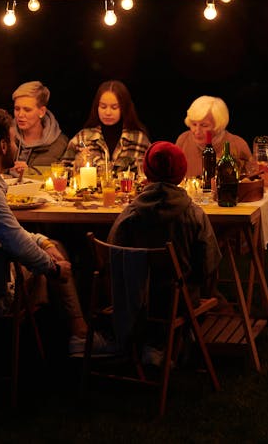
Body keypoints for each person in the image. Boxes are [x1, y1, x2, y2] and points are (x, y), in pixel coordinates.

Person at [0, 107, 110, 356]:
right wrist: (54, 268)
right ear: (3, 145)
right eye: (13, 140)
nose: (16, 145)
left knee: (52, 247)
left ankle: (65, 335)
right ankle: (71, 338)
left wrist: (44, 242)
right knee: (52, 264)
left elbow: (11, 231)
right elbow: (15, 242)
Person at [107, 141, 221, 367]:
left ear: (145, 172)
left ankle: (146, 343)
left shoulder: (130, 214)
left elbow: (113, 254)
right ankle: (173, 340)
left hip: (134, 297)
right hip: (178, 300)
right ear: (181, 174)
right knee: (203, 282)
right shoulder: (193, 214)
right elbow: (209, 263)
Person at [62, 80, 152, 174]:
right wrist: (78, 164)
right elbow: (61, 172)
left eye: (114, 107)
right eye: (103, 106)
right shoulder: (82, 138)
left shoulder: (139, 140)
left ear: (124, 108)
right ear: (97, 107)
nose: (108, 112)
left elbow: (153, 177)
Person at [174, 95, 254, 180]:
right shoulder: (183, 140)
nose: (196, 131)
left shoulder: (238, 145)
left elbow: (252, 181)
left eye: (204, 125)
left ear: (218, 126)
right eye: (194, 124)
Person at [10, 80, 69, 174]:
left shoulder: (59, 144)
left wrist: (29, 172)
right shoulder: (6, 138)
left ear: (41, 111)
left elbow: (63, 176)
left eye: (27, 110)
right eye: (17, 109)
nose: (20, 114)